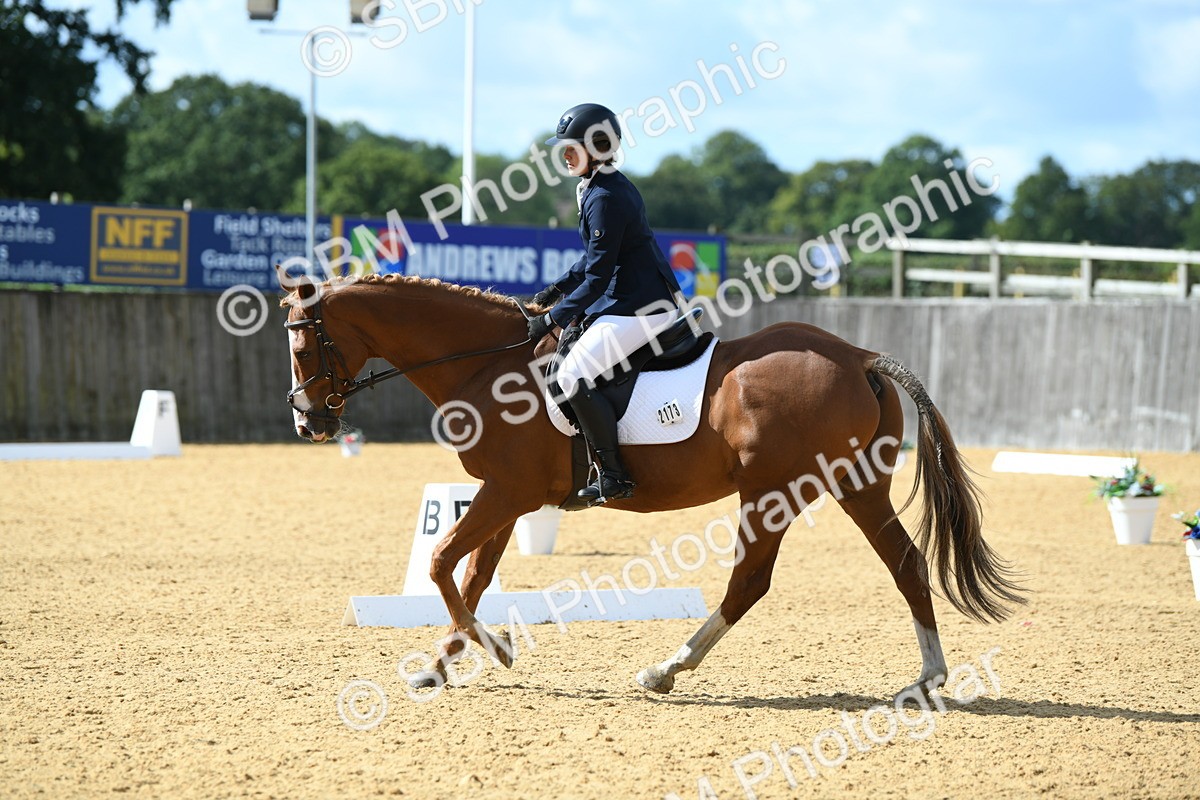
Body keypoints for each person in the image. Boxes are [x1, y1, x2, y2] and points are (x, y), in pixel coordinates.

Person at [527, 102, 683, 506]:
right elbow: (594, 259)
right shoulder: (601, 186)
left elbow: (598, 277)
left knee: (571, 377)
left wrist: (551, 321)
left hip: (639, 306)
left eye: (571, 147)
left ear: (597, 146)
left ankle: (614, 475)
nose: (564, 155)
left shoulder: (606, 196)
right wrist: (553, 291)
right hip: (627, 299)